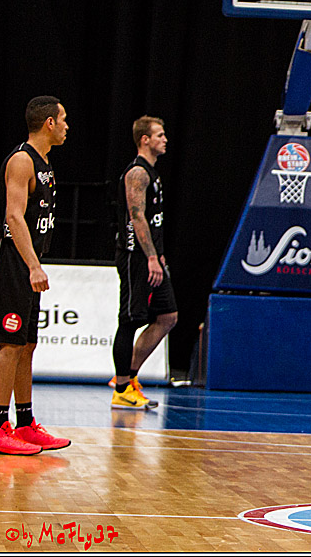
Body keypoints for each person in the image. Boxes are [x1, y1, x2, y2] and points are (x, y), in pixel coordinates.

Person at [0, 96, 72, 455]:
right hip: (10, 260)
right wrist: (33, 265)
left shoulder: (46, 165)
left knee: (27, 344)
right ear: (49, 123)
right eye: (64, 119)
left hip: (29, 260)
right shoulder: (22, 160)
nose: (68, 126)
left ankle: (24, 424)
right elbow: (13, 216)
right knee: (9, 344)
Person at [111, 116, 177, 410]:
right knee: (130, 319)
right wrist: (150, 256)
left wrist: (159, 253)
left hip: (152, 255)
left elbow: (154, 220)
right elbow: (137, 217)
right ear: (145, 140)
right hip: (134, 256)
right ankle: (122, 387)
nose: (165, 139)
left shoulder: (153, 172)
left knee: (168, 316)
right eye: (159, 135)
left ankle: (129, 377)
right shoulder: (137, 173)